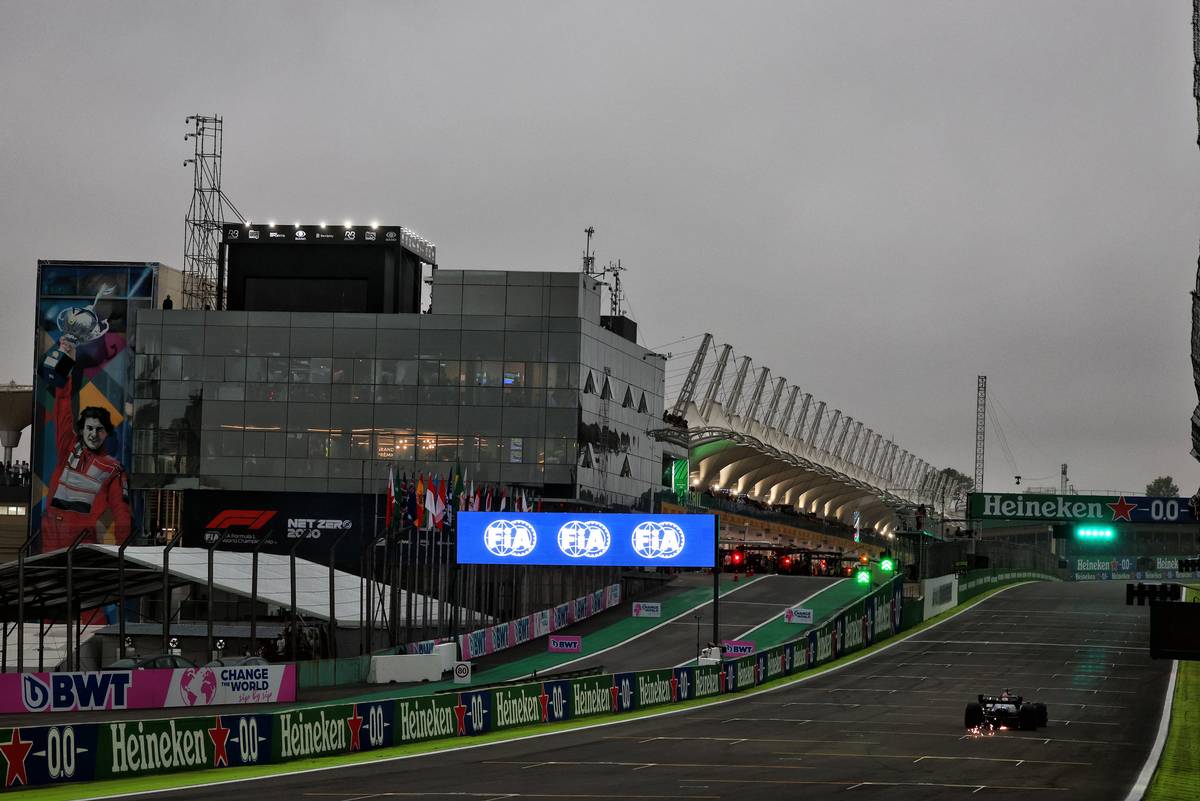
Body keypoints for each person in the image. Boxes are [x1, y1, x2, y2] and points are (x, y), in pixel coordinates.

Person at [41, 340, 131, 551]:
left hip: (83, 544)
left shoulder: (113, 469)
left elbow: (121, 512)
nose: (94, 434)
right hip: (51, 537)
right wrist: (68, 362)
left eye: (100, 429)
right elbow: (62, 403)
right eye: (90, 428)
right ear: (81, 430)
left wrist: (123, 553)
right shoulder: (68, 447)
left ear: (107, 433)